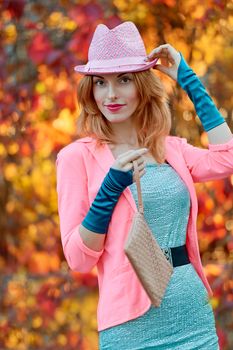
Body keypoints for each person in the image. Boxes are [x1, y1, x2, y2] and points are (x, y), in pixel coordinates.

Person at [56, 21, 233, 350]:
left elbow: (228, 157)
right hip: (129, 326)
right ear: (90, 91)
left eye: (123, 80)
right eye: (100, 83)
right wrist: (112, 187)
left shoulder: (171, 149)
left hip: (191, 316)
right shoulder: (76, 158)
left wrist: (187, 80)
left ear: (141, 85)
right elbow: (79, 260)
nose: (111, 94)